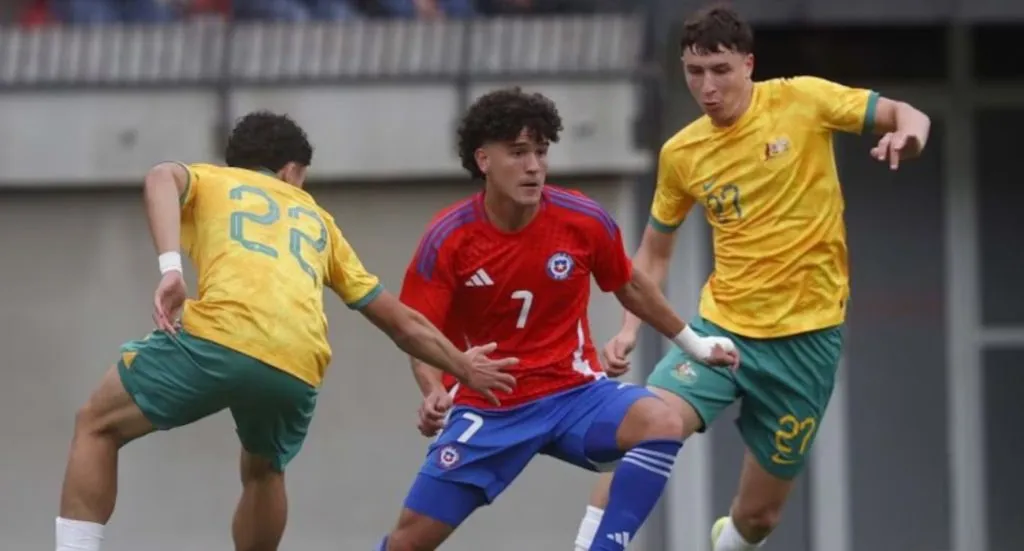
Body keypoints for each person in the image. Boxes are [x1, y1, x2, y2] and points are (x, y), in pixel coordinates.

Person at [54, 111, 517, 551]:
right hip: (297, 364)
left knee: (96, 424)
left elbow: (160, 177)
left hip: (219, 337)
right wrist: (463, 367)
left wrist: (171, 269)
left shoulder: (215, 180)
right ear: (292, 170)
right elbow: (399, 321)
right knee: (264, 469)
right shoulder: (319, 220)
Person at [571, 5, 932, 551]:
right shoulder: (682, 153)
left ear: (748, 65)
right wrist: (629, 328)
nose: (707, 87)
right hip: (722, 332)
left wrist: (910, 137)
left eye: (720, 70)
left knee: (760, 516)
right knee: (649, 425)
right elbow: (653, 254)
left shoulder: (802, 100)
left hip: (807, 342)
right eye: (695, 72)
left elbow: (908, 113)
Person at [374, 87, 739, 551]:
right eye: (518, 153)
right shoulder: (448, 238)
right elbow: (417, 331)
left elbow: (630, 285)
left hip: (574, 394)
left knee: (662, 421)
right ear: (484, 160)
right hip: (490, 406)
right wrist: (433, 392)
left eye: (541, 152)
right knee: (408, 543)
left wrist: (696, 344)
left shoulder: (582, 219)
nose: (533, 166)